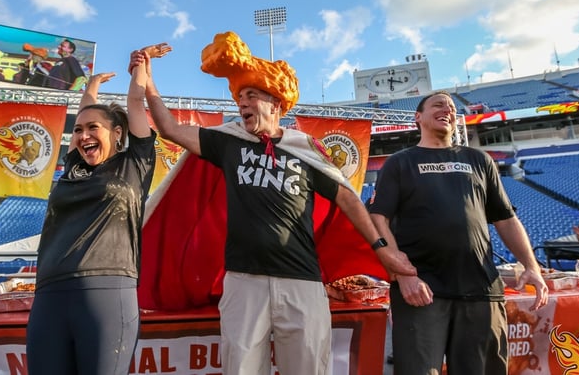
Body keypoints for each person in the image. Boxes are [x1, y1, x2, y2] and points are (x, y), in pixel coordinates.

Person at [132, 32, 416, 375]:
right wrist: (147, 81)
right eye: (239, 98)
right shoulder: (228, 143)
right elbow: (170, 129)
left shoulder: (307, 149)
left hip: (302, 283)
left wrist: (382, 250)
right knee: (240, 369)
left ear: (277, 103)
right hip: (243, 283)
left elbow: (347, 198)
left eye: (251, 95)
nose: (242, 103)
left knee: (308, 369)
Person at [368, 90, 548, 375]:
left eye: (451, 106)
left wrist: (531, 266)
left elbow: (506, 219)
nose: (447, 109)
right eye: (438, 104)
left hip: (481, 289)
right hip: (422, 291)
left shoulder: (480, 160)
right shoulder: (400, 163)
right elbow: (378, 219)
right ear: (418, 117)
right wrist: (403, 274)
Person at [25, 42, 162, 375]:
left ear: (117, 133)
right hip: (49, 294)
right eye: (78, 131)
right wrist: (91, 87)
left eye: (93, 129)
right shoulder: (74, 165)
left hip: (107, 292)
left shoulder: (135, 164)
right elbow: (85, 112)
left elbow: (133, 101)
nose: (83, 135)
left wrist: (140, 66)